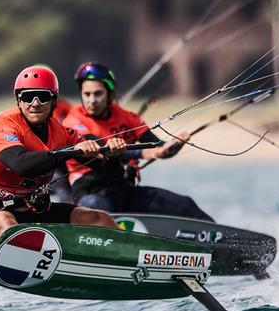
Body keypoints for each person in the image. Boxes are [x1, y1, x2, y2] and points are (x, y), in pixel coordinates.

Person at [0, 64, 124, 257]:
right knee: (5, 221)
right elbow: (21, 164)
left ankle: (127, 259)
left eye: (43, 96)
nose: (36, 103)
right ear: (18, 100)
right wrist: (71, 151)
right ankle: (35, 261)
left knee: (97, 218)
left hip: (32, 209)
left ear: (54, 100)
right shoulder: (2, 126)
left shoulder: (62, 132)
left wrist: (112, 155)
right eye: (28, 96)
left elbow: (106, 169)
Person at [62, 62, 214, 221]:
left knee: (185, 205)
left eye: (98, 93)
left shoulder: (127, 117)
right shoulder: (72, 121)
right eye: (87, 94)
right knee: (103, 212)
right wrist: (148, 152)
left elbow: (158, 147)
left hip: (122, 189)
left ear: (109, 94)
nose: (92, 100)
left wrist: (173, 145)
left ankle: (228, 242)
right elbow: (104, 151)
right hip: (90, 193)